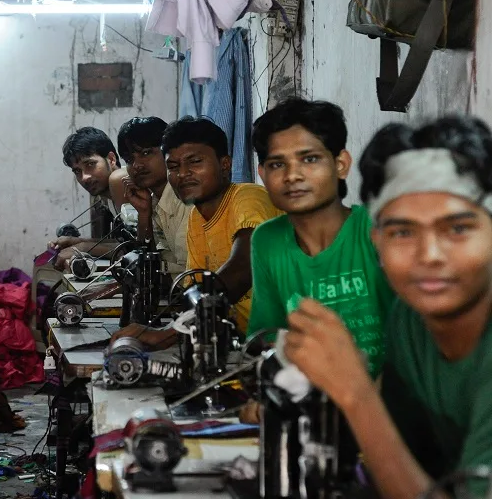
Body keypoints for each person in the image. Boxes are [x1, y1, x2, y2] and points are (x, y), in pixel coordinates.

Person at [284, 116, 492, 499]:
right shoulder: (409, 319)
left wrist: (356, 392)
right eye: (402, 232)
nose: (429, 256)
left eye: (458, 229)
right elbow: (408, 466)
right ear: (376, 240)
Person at [248, 99, 394, 377]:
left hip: (396, 408)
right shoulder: (266, 241)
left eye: (309, 159)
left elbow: (424, 337)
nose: (292, 175)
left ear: (340, 164)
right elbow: (266, 338)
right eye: (278, 164)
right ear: (263, 175)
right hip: (314, 407)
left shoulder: (377, 229)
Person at [162, 116, 280, 330]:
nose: (182, 173)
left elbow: (244, 267)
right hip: (244, 341)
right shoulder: (196, 219)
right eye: (173, 166)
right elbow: (195, 291)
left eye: (195, 162)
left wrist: (167, 334)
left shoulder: (248, 197)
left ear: (225, 165)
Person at [112, 116, 192, 275]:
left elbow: (187, 274)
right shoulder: (155, 200)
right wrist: (144, 214)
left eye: (146, 153)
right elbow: (146, 259)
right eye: (129, 159)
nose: (137, 165)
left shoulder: (186, 200)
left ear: (169, 152)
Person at [49, 127, 125, 269]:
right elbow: (124, 242)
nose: (84, 178)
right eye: (77, 171)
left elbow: (136, 250)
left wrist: (83, 247)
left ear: (111, 159)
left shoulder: (125, 184)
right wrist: (76, 241)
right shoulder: (108, 197)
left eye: (90, 164)